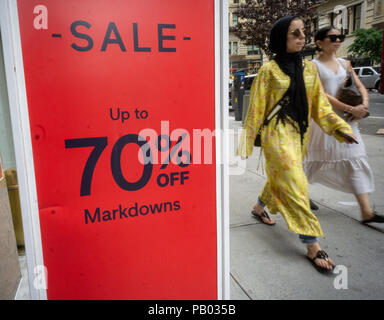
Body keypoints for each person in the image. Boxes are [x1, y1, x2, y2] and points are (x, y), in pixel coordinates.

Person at [237, 16, 356, 271]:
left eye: (303, 32)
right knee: (295, 182)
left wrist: (339, 128)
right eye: (295, 33)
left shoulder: (308, 69)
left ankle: (259, 207)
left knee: (282, 176)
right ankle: (312, 243)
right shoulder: (269, 71)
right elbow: (256, 109)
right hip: (276, 133)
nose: (302, 36)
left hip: (299, 134)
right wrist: (245, 144)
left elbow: (320, 108)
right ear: (282, 38)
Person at [304, 26, 384, 224]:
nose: (338, 40)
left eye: (341, 36)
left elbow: (358, 85)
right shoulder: (312, 66)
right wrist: (350, 107)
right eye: (333, 37)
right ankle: (296, 196)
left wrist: (363, 105)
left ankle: (366, 212)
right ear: (319, 42)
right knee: (312, 164)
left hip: (349, 122)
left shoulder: (345, 63)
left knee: (356, 159)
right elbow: (320, 94)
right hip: (326, 122)